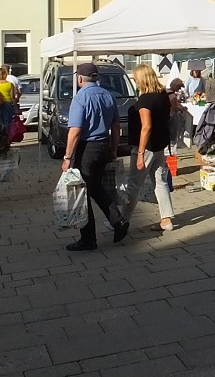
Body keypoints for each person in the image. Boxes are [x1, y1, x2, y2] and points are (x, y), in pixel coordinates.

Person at [62, 63, 129, 251]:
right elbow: (116, 126)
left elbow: (75, 130)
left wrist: (67, 157)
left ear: (80, 78)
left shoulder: (80, 97)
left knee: (82, 192)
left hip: (86, 149)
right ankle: (118, 220)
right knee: (96, 187)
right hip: (103, 145)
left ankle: (88, 238)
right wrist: (114, 149)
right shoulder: (108, 95)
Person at [124, 64, 176, 232]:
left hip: (146, 147)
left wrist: (140, 153)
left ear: (142, 78)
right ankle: (166, 219)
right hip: (160, 144)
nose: (135, 81)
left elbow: (146, 127)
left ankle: (121, 220)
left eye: (136, 78)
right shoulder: (162, 95)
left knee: (134, 184)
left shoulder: (145, 100)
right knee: (160, 182)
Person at [0, 67, 19, 131]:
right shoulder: (10, 84)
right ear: (6, 75)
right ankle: (7, 137)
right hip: (8, 104)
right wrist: (16, 108)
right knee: (7, 121)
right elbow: (12, 97)